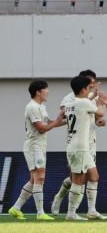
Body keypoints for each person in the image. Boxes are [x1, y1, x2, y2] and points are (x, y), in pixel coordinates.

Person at [50, 70, 107, 220]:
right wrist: (102, 102)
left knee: (94, 176)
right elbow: (100, 112)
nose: (91, 87)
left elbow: (76, 115)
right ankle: (71, 213)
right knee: (78, 180)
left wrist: (93, 97)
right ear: (83, 88)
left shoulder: (71, 103)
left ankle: (91, 210)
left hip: (81, 144)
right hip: (80, 146)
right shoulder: (83, 102)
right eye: (89, 86)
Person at [7, 80, 64, 221]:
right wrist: (58, 120)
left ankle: (15, 208)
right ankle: (40, 213)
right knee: (40, 177)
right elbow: (41, 128)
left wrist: (67, 120)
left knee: (34, 180)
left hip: (39, 146)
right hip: (34, 147)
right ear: (38, 92)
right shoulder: (32, 107)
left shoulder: (41, 106)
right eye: (46, 89)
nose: (48, 92)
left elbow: (49, 123)